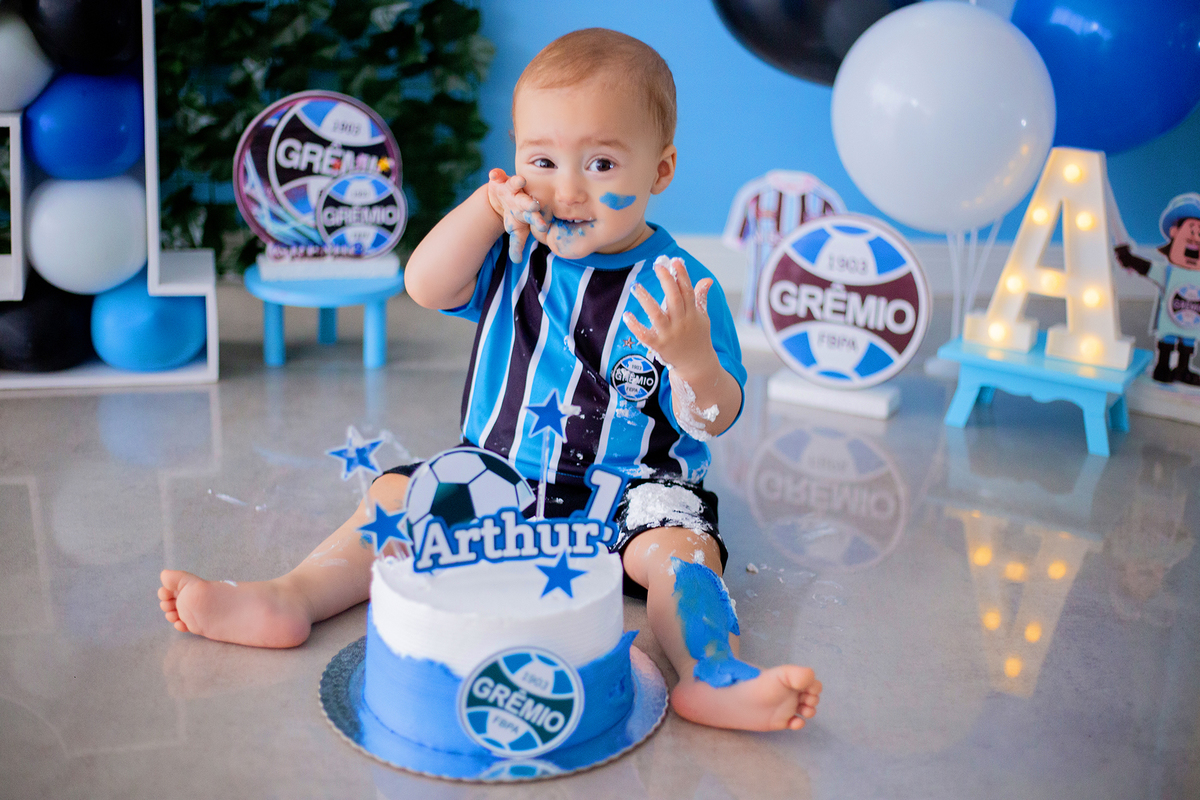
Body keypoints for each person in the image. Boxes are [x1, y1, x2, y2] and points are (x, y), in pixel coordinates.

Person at [159, 28, 821, 733]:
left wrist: (692, 358)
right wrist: (484, 209)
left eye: (601, 163)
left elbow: (716, 414)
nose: (567, 189)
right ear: (512, 165)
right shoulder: (513, 252)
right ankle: (293, 597)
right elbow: (423, 284)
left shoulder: (681, 287)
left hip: (634, 494)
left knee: (685, 554)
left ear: (660, 172)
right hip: (498, 475)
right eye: (541, 159)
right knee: (394, 499)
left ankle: (710, 674)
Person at [1115, 192, 1200, 384]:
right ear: (1174, 232)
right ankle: (1162, 367)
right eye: (1192, 230)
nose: (1196, 237)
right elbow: (1148, 268)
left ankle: (1183, 369)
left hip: (1192, 324)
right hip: (1169, 321)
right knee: (1167, 340)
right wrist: (1128, 259)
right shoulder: (1168, 272)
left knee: (1188, 343)